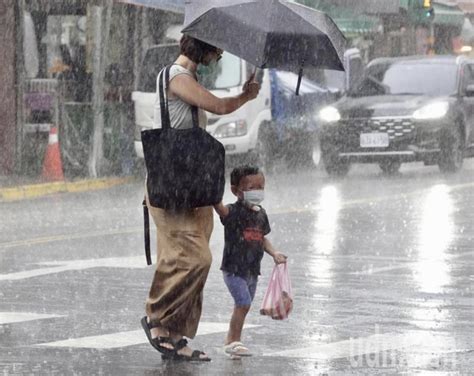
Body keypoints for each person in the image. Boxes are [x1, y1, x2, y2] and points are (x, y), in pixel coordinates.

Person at [141, 36, 260, 362]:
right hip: (171, 188)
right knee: (194, 258)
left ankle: (176, 335)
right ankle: (156, 316)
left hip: (190, 187)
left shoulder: (187, 78)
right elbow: (218, 106)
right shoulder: (176, 77)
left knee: (190, 259)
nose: (220, 53)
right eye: (217, 48)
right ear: (202, 48)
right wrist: (245, 96)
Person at [213, 165, 287, 358]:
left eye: (260, 187)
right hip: (233, 270)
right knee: (243, 303)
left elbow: (262, 238)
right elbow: (220, 210)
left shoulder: (261, 214)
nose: (257, 192)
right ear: (236, 191)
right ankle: (235, 342)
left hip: (252, 271)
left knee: (243, 306)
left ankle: (230, 340)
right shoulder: (234, 212)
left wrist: (274, 253)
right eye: (251, 188)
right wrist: (212, 193)